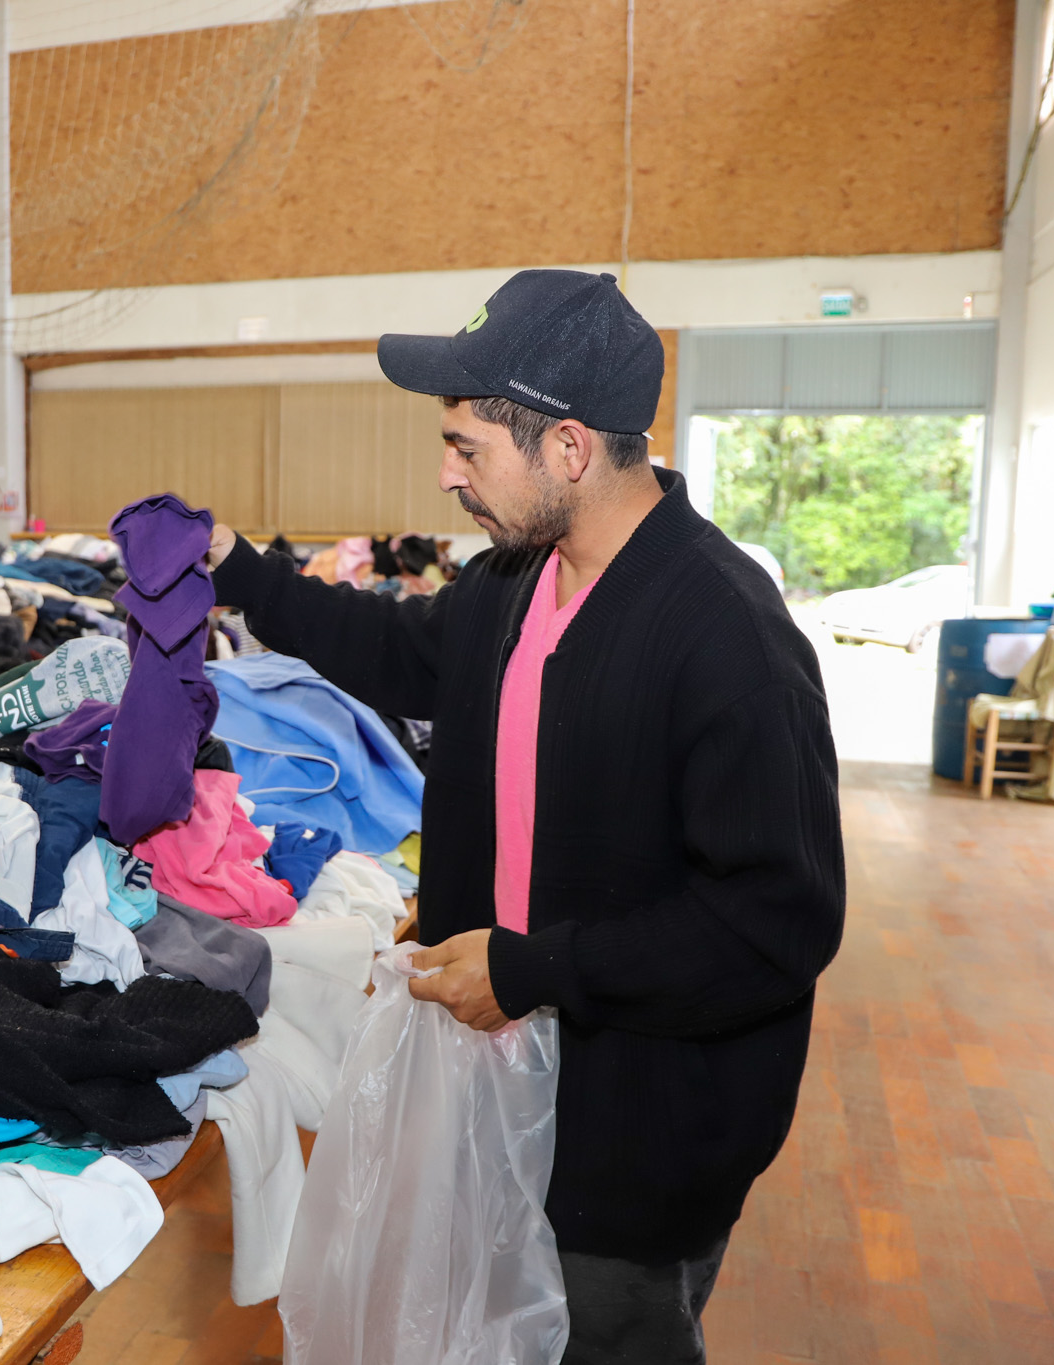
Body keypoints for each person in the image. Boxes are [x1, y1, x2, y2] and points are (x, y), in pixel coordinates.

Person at [205, 270, 845, 1363]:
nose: (444, 473)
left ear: (566, 447)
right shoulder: (517, 579)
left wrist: (531, 967)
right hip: (502, 1079)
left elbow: (771, 926)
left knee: (602, 1334)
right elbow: (407, 656)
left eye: (466, 447)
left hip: (639, 1124)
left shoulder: (726, 639)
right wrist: (236, 571)